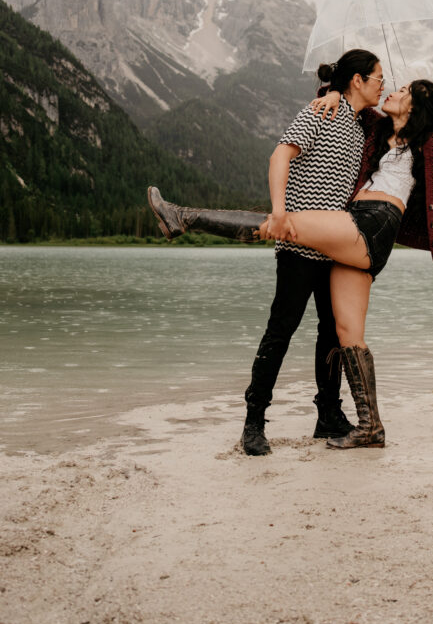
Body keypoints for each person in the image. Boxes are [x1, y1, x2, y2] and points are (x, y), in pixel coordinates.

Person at [149, 77, 433, 451]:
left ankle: (184, 217)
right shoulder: (375, 131)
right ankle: (370, 427)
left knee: (285, 223)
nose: (392, 91)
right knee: (348, 333)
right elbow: (344, 104)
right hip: (356, 235)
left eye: (402, 91)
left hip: (372, 225)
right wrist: (330, 90)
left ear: (417, 106)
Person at [148, 49, 384, 457]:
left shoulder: (360, 123)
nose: (384, 82)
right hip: (297, 246)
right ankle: (253, 422)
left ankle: (328, 414)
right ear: (358, 80)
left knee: (331, 334)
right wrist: (278, 211)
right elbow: (280, 155)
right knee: (282, 330)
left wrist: (333, 92)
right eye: (378, 76)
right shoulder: (320, 114)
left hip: (335, 250)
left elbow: (399, 117)